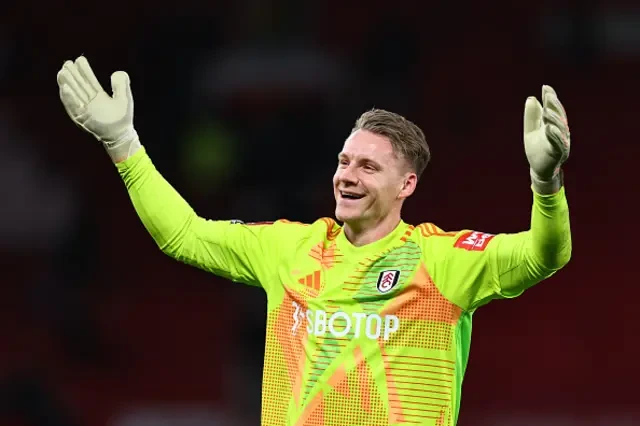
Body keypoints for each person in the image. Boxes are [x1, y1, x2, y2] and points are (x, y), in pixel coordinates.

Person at [56, 56, 571, 426]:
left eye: (369, 166)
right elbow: (184, 235)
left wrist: (545, 185)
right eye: (344, 161)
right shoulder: (289, 248)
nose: (348, 175)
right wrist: (122, 142)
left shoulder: (442, 260)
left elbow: (545, 255)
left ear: (406, 186)